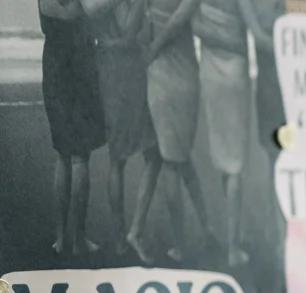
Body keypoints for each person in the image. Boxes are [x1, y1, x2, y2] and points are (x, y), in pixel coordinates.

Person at [192, 0, 271, 267]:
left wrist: (210, 35)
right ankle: (233, 247)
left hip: (211, 74)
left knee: (225, 161)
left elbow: (192, 24)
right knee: (235, 162)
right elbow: (256, 34)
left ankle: (231, 234)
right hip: (234, 72)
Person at [136, 0, 215, 264]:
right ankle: (189, 240)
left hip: (160, 75)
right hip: (181, 77)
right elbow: (179, 21)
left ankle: (202, 232)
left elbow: (153, 27)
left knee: (178, 159)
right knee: (175, 160)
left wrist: (150, 50)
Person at [84, 0, 160, 258]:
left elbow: (93, 18)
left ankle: (122, 236)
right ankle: (133, 231)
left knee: (119, 159)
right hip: (126, 72)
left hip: (107, 69)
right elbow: (132, 33)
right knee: (150, 155)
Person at [39, 0, 106, 257]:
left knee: (63, 154)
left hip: (54, 62)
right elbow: (87, 11)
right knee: (79, 157)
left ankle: (60, 238)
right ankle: (78, 239)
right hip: (78, 63)